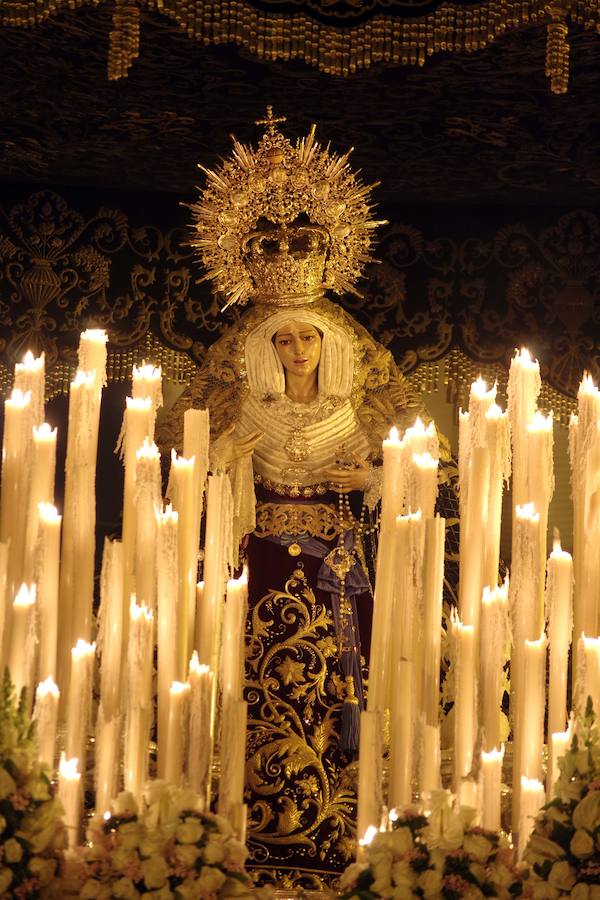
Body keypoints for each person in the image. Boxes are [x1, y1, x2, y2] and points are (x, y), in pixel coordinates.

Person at [158, 111, 442, 888]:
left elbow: (429, 467)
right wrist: (223, 464)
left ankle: (344, 813)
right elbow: (181, 468)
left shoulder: (362, 403)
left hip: (337, 566)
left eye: (308, 338)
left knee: (336, 687)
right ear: (265, 348)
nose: (296, 349)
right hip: (256, 561)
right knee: (253, 682)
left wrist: (381, 480)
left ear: (330, 344)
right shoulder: (238, 402)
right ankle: (251, 817)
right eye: (282, 339)